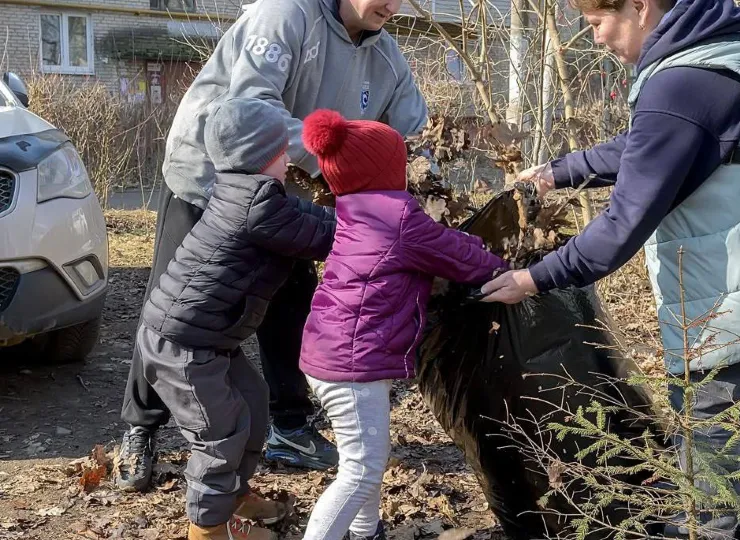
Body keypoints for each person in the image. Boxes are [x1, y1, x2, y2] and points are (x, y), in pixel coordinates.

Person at [480, 0, 740, 537]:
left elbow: (623, 222)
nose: (595, 40)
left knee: (714, 448)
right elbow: (659, 143)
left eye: (596, 23)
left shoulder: (686, 79)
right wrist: (559, 172)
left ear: (639, 8)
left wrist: (532, 279)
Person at [114, 0, 430, 491]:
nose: (392, 4)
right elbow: (252, 105)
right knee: (175, 308)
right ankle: (141, 428)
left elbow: (413, 134)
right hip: (210, 177)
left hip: (288, 192)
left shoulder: (386, 56)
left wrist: (423, 178)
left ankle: (290, 426)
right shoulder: (286, 15)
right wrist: (340, 155)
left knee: (292, 301)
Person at [295, 110, 508, 540]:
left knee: (364, 458)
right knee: (362, 467)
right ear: (385, 169)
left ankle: (365, 531)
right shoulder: (397, 217)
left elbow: (433, 245)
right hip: (352, 362)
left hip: (335, 351)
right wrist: (499, 262)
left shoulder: (355, 210)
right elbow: (453, 254)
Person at [137, 98, 336, 540]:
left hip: (206, 338)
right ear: (260, 158)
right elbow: (325, 235)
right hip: (182, 344)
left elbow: (312, 216)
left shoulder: (249, 192)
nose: (289, 161)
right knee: (219, 432)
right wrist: (373, 223)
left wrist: (345, 214)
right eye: (282, 152)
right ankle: (207, 531)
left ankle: (232, 498)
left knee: (252, 402)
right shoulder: (258, 208)